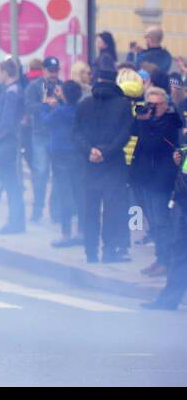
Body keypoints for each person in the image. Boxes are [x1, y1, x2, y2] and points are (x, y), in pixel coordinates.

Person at [75, 58, 135, 264]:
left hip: (89, 165)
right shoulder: (123, 105)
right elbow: (125, 134)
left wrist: (90, 150)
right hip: (113, 166)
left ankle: (90, 252)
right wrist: (107, 152)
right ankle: (109, 250)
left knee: (90, 209)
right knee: (112, 210)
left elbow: (76, 133)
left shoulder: (84, 104)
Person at [130, 85, 182, 277]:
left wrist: (145, 123)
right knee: (153, 221)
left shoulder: (170, 122)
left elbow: (151, 145)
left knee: (161, 221)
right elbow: (132, 132)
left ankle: (165, 261)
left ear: (164, 104)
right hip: (145, 178)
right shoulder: (147, 120)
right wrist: (141, 118)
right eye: (148, 104)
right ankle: (160, 258)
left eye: (155, 105)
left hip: (161, 180)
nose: (151, 109)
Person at [39, 79, 84, 247]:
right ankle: (81, 232)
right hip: (77, 155)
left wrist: (45, 104)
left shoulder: (60, 112)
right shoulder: (79, 109)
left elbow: (45, 120)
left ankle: (66, 235)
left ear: (64, 94)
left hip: (60, 156)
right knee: (79, 193)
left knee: (64, 194)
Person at [143, 146, 187, 310]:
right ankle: (168, 300)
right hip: (184, 201)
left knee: (181, 253)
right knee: (181, 253)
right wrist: (181, 154)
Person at [0, 59, 27, 233]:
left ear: (5, 73)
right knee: (11, 183)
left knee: (10, 183)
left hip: (5, 143)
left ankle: (15, 222)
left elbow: (7, 121)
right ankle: (16, 221)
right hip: (7, 142)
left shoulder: (12, 93)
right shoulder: (13, 91)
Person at [22, 56, 62, 224]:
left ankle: (56, 211)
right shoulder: (34, 86)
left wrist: (59, 102)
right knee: (41, 172)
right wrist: (46, 104)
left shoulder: (62, 86)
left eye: (56, 70)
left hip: (57, 134)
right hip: (39, 134)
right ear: (44, 70)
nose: (53, 74)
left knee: (58, 173)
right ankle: (37, 209)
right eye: (50, 70)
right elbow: (28, 106)